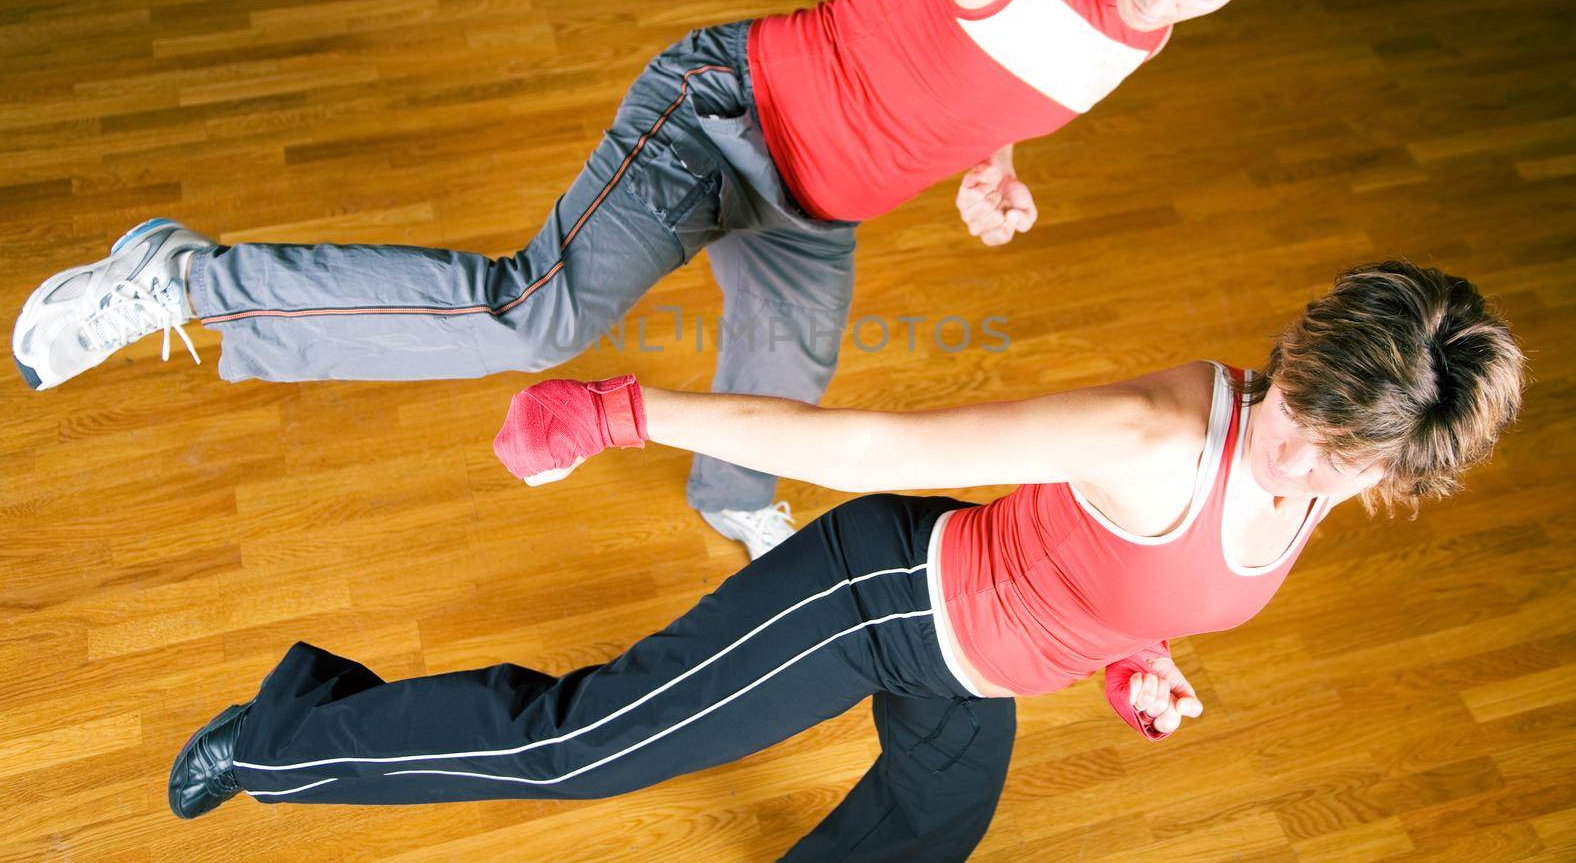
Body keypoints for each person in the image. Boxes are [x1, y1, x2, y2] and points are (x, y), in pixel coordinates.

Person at [12, 0, 1318, 559]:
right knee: (531, 320)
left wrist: (993, 165)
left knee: (777, 392)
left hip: (821, 203)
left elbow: (1028, 67)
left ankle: (730, 498)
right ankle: (187, 279)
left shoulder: (1158, 17)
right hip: (722, 119)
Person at [166, 261, 1526, 860]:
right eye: (1299, 427)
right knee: (577, 746)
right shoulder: (1152, 430)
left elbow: (1144, 573)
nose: (1300, 469)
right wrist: (619, 410)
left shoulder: (1348, 462)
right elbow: (868, 440)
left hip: (982, 658)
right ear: (1293, 357)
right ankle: (281, 734)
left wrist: (1133, 659)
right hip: (880, 601)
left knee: (931, 828)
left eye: (1344, 466)